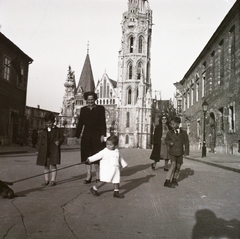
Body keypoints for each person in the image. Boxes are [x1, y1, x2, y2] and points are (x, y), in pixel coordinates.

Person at [74, 91, 106, 184]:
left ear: (95, 99)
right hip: (86, 136)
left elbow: (103, 123)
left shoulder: (100, 108)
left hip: (97, 135)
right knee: (86, 156)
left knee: (96, 156)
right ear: (86, 100)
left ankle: (98, 175)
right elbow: (80, 124)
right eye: (88, 100)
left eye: (92, 99)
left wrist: (102, 135)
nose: (90, 101)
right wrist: (76, 135)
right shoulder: (83, 110)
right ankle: (88, 175)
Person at [36, 112, 64, 186]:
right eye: (47, 123)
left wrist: (59, 141)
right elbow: (40, 141)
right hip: (45, 150)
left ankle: (53, 180)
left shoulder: (58, 130)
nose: (48, 124)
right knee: (46, 165)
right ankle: (46, 180)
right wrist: (38, 150)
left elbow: (62, 137)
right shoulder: (44, 131)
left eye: (50, 123)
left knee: (53, 164)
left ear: (53, 122)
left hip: (54, 150)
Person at [164, 116, 189, 188]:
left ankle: (174, 179)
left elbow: (186, 142)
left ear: (178, 124)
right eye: (171, 124)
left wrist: (186, 151)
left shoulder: (183, 133)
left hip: (180, 152)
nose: (171, 126)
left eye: (173, 124)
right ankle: (167, 181)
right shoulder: (169, 133)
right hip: (172, 151)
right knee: (173, 165)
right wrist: (170, 143)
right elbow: (166, 140)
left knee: (178, 167)